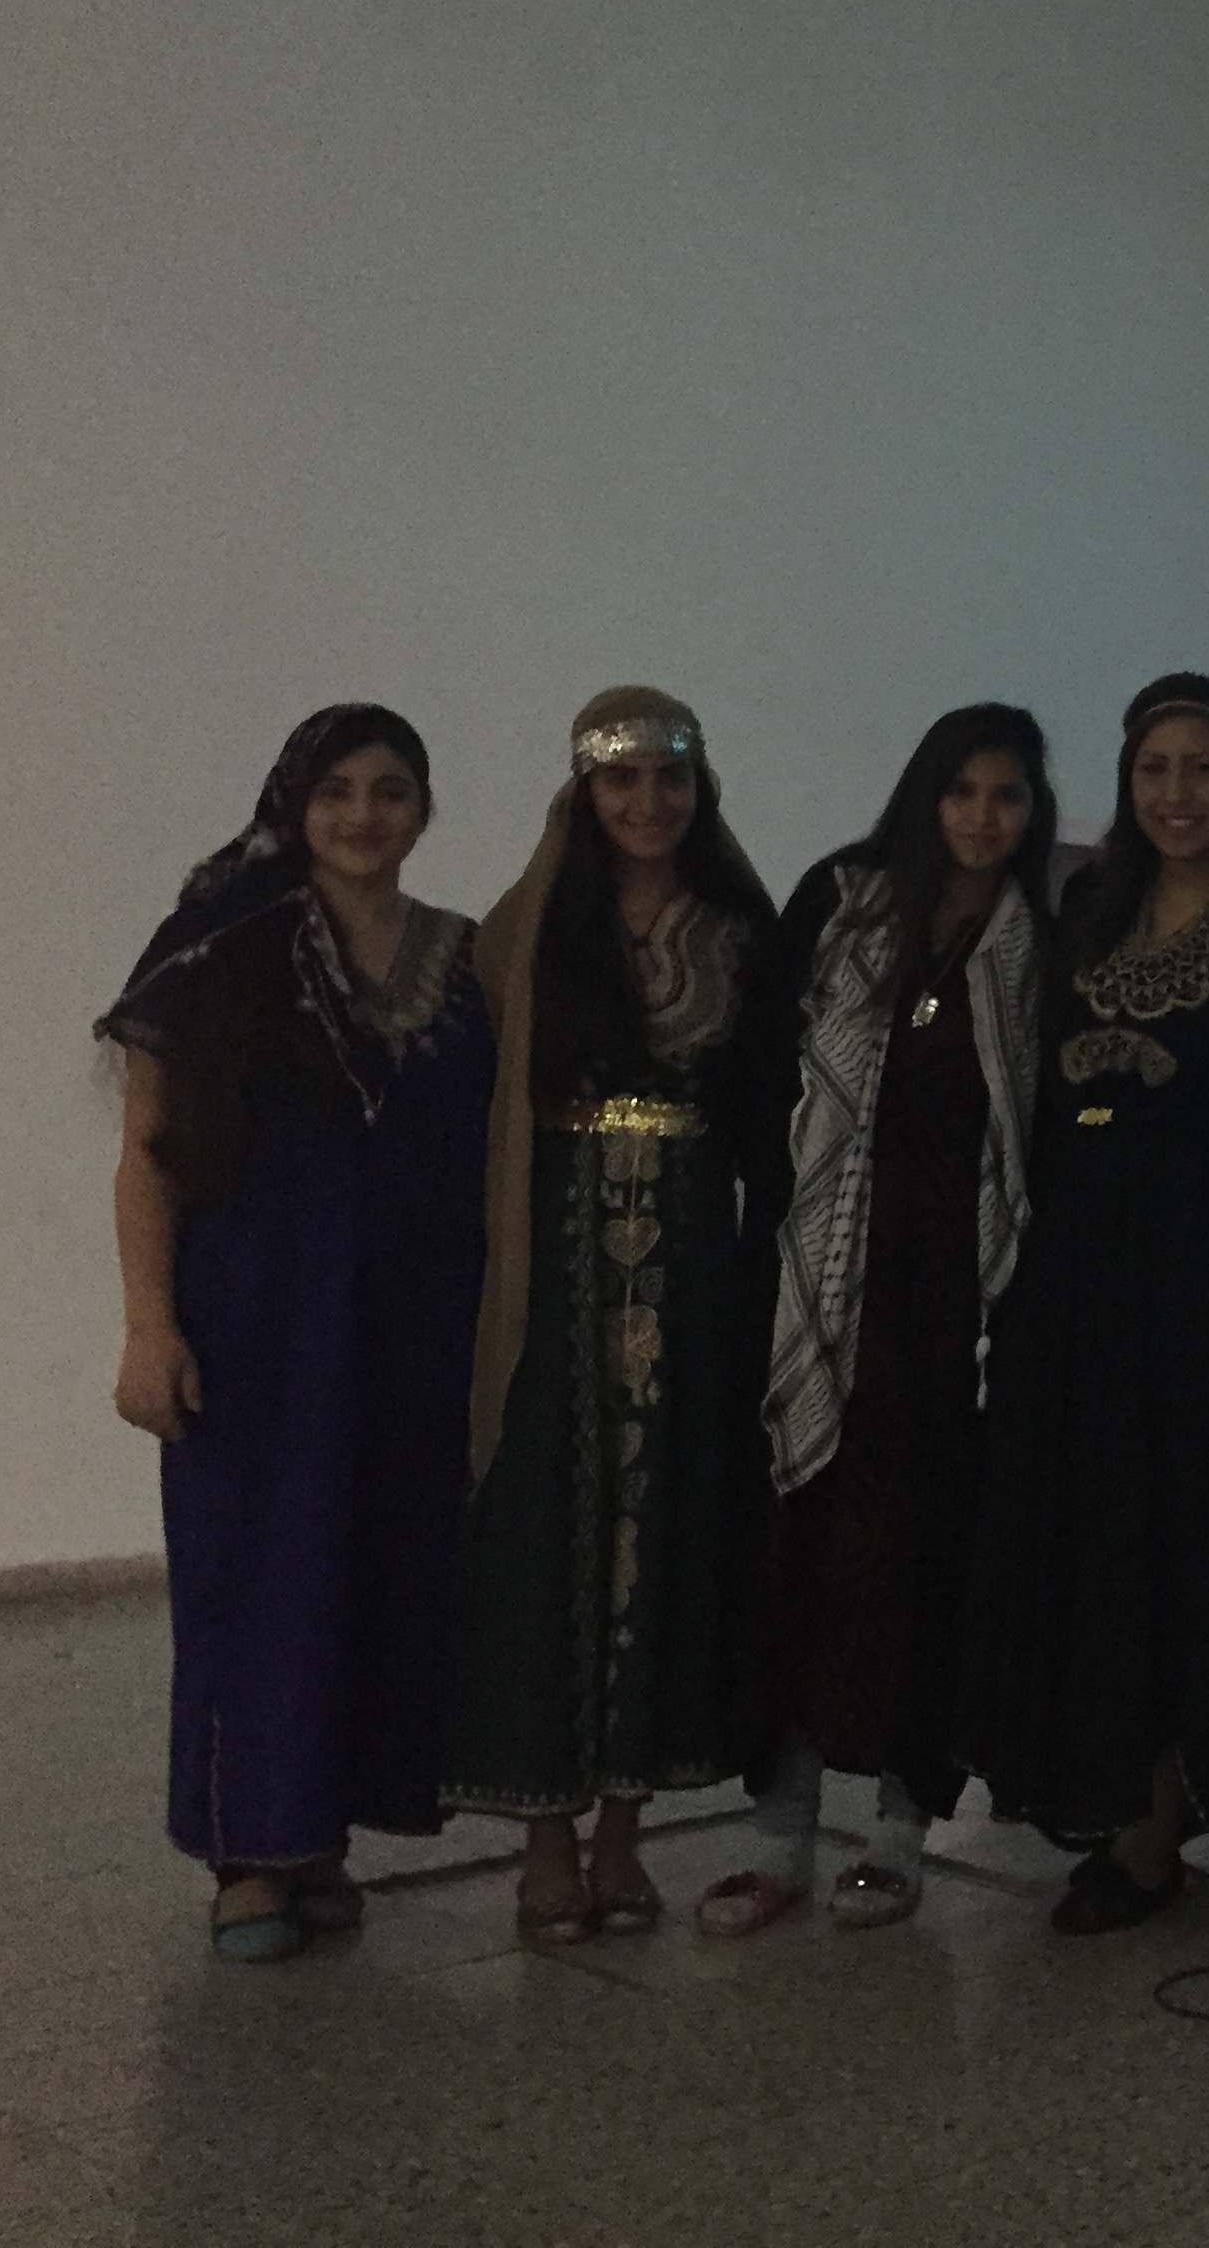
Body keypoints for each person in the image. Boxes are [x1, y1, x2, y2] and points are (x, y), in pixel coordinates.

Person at [100, 706, 494, 1962]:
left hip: (416, 1325)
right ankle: (247, 1858)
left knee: (378, 1569)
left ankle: (318, 1835)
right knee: (255, 1576)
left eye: (390, 792)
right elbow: (148, 1153)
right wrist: (150, 1327)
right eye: (337, 792)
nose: (363, 816)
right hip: (257, 1317)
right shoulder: (220, 945)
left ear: (424, 809)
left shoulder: (469, 957)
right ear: (293, 804)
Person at [959, 673, 1209, 1933]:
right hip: (1079, 1255)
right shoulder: (1085, 910)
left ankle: (1175, 1819)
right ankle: (1122, 1800)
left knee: (1194, 1530)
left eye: (1201, 769)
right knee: (1097, 1524)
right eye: (1155, 770)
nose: (1177, 794)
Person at [702, 705, 1057, 1937]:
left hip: (954, 1304)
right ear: (923, 795)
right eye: (961, 791)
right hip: (817, 1287)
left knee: (927, 1555)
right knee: (796, 1547)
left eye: (1007, 796)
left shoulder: (1037, 938)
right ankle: (779, 1836)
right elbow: (761, 1076)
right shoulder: (840, 902)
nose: (982, 818)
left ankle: (902, 1833)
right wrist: (802, 1231)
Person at [446, 687, 776, 1944]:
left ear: (700, 788)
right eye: (622, 780)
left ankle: (627, 1836)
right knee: (542, 1529)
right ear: (584, 792)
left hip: (692, 1268)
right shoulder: (524, 931)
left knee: (668, 1521)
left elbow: (775, 1109)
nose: (648, 803)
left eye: (670, 779)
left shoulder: (741, 930)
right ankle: (545, 1839)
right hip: (553, 1265)